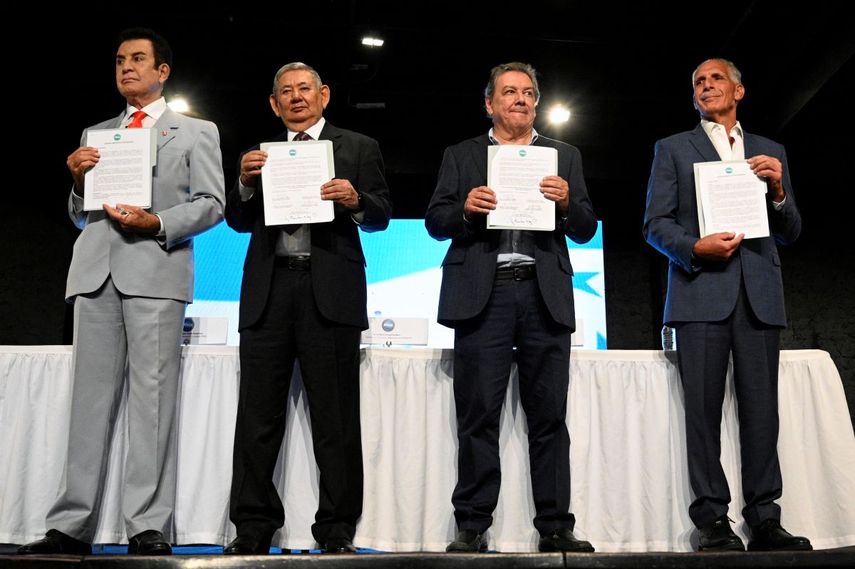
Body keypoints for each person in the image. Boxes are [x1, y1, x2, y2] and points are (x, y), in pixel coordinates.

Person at [18, 28, 225, 556]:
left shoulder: (195, 133)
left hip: (155, 270)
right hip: (95, 274)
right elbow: (79, 213)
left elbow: (211, 203)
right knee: (88, 404)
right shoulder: (98, 133)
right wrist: (76, 181)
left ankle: (146, 525)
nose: (126, 67)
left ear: (163, 72)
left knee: (153, 404)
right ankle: (71, 525)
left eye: (138, 59)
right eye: (119, 60)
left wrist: (157, 220)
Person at [425, 62, 597, 553]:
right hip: (485, 293)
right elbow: (436, 221)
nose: (519, 99)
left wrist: (566, 204)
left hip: (544, 293)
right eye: (509, 92)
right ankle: (473, 525)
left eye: (527, 93)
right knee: (478, 415)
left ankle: (556, 527)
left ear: (536, 104)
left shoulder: (564, 155)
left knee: (550, 418)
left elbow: (585, 225)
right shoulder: (461, 155)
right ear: (490, 103)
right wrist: (465, 210)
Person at [643, 58, 812, 552]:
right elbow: (656, 224)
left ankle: (764, 518)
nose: (706, 86)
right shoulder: (673, 149)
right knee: (702, 413)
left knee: (763, 414)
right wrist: (695, 247)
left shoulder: (770, 150)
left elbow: (792, 230)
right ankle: (712, 520)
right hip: (700, 294)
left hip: (759, 295)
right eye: (698, 82)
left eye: (715, 78)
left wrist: (778, 191)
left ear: (739, 89)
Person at [224, 62, 391, 555]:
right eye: (285, 93)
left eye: (305, 89)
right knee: (256, 421)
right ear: (274, 104)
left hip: (330, 295)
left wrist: (356, 199)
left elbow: (380, 214)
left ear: (324, 95)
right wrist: (244, 183)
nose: (296, 98)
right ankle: (252, 529)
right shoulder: (259, 155)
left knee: (336, 421)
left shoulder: (358, 147)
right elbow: (236, 220)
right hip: (269, 292)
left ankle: (336, 531)